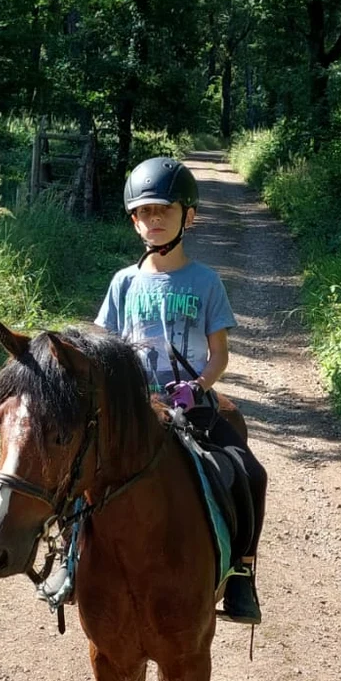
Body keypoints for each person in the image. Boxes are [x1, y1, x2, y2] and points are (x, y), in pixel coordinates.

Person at [95, 156, 266, 624]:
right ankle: (69, 565)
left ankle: (240, 577)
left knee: (250, 473)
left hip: (190, 405)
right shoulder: (123, 283)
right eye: (144, 213)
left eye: (163, 211)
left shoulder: (206, 282)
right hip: (133, 408)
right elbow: (107, 346)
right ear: (134, 221)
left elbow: (220, 355)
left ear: (188, 217)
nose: (153, 221)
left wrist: (198, 385)